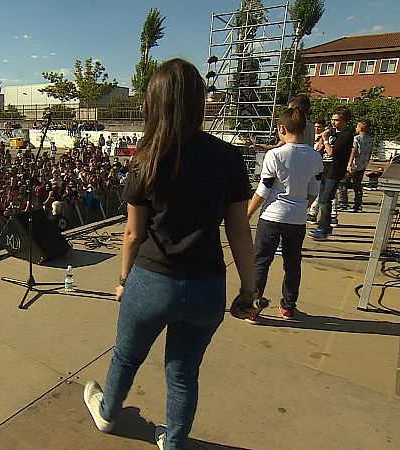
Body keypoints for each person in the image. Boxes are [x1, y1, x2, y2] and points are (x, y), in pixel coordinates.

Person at [81, 59, 255, 450]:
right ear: (198, 101)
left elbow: (132, 234)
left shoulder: (146, 158)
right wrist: (249, 288)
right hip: (207, 286)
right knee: (183, 374)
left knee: (126, 357)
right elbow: (240, 231)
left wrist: (124, 281)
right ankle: (174, 442)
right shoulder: (228, 158)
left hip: (152, 282)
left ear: (154, 103)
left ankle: (108, 413)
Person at [245, 108, 323, 322]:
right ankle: (288, 306)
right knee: (292, 262)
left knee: (261, 262)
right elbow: (314, 190)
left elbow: (264, 189)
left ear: (281, 128)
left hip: (271, 217)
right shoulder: (315, 156)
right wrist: (300, 207)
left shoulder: (275, 155)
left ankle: (253, 309)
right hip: (297, 219)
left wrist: (248, 213)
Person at [310, 106, 354, 241]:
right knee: (322, 197)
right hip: (325, 169)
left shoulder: (346, 135)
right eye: (332, 119)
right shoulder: (333, 134)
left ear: (344, 121)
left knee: (325, 200)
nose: (333, 122)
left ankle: (323, 228)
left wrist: (325, 140)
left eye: (336, 120)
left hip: (335, 171)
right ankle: (325, 225)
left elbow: (331, 152)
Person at [340, 119, 373, 213]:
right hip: (362, 165)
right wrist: (367, 162)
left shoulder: (356, 139)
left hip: (354, 164)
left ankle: (344, 203)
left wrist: (349, 164)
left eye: (357, 127)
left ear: (361, 128)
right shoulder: (370, 139)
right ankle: (358, 204)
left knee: (343, 182)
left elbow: (353, 151)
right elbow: (370, 152)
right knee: (357, 185)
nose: (356, 128)